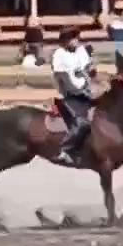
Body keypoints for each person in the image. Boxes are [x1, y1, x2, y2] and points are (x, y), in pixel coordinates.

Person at [51, 27, 95, 165]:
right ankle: (64, 150)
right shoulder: (58, 54)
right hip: (67, 94)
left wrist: (92, 72)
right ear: (65, 41)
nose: (76, 41)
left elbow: (88, 70)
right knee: (82, 123)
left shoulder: (81, 51)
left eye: (77, 38)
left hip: (84, 90)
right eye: (73, 38)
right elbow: (62, 77)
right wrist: (77, 90)